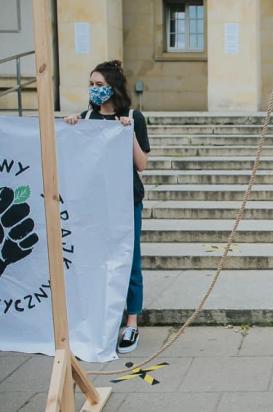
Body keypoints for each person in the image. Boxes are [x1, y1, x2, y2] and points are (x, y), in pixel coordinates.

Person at [63, 60, 150, 354]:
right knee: (95, 260)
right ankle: (100, 319)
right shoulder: (85, 118)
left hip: (126, 202)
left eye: (100, 84)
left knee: (130, 260)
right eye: (92, 84)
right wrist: (72, 129)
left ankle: (132, 322)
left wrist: (128, 133)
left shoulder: (132, 117)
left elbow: (142, 164)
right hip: (95, 204)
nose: (95, 89)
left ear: (113, 86)